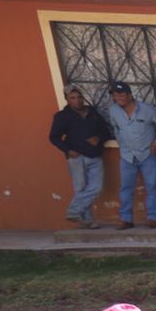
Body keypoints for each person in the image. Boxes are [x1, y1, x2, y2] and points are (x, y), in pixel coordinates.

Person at [103, 82, 156, 230]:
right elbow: (116, 129)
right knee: (126, 188)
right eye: (115, 95)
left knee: (151, 186)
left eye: (120, 94)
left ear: (129, 95)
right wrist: (122, 145)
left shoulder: (147, 110)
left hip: (147, 154)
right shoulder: (114, 111)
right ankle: (126, 219)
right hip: (127, 155)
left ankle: (152, 218)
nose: (118, 98)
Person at [48, 85, 111, 228]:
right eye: (73, 98)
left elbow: (106, 132)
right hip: (77, 157)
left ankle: (74, 211)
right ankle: (87, 220)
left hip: (94, 156)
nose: (77, 101)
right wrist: (67, 150)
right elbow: (54, 137)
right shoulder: (62, 116)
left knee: (96, 188)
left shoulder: (92, 113)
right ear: (67, 100)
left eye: (79, 97)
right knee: (80, 188)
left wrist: (98, 138)